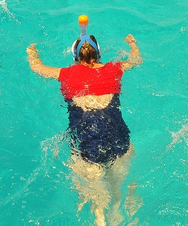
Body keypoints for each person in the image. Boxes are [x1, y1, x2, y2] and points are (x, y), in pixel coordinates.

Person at [27, 16, 142, 226]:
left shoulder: (66, 74)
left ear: (74, 56)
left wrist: (32, 53)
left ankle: (100, 219)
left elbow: (37, 68)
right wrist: (133, 45)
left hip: (88, 144)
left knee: (97, 200)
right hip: (119, 139)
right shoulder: (114, 69)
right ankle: (118, 214)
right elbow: (136, 60)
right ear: (99, 53)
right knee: (118, 194)